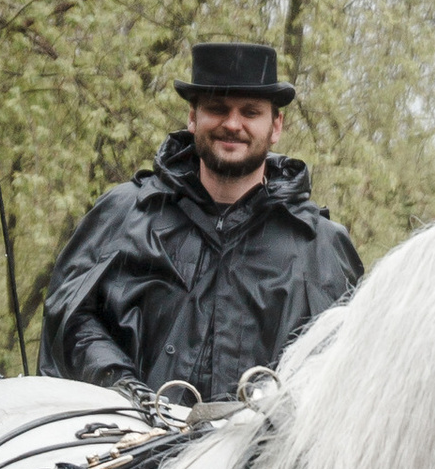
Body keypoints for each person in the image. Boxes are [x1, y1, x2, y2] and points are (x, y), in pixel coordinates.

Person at [39, 40, 361, 403]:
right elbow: (71, 316)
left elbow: (343, 372)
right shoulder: (124, 215)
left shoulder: (320, 247)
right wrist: (121, 385)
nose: (233, 124)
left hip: (261, 438)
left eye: (250, 112)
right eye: (217, 109)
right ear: (193, 117)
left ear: (275, 126)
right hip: (126, 431)